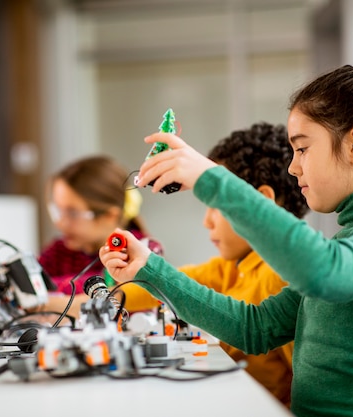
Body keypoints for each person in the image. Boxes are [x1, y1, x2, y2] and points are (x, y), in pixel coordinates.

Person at [100, 65, 353, 417]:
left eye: (303, 149)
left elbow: (325, 271)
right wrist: (150, 270)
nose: (294, 168)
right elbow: (255, 328)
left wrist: (212, 179)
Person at [120, 122, 307, 406]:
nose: (206, 221)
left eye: (216, 206)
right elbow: (154, 287)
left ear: (261, 201)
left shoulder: (277, 277)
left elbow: (308, 387)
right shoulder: (234, 266)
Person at [38, 155, 162, 314]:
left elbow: (120, 291)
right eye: (58, 211)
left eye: (72, 213)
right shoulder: (59, 251)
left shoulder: (141, 248)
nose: (60, 223)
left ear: (109, 216)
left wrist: (46, 298)